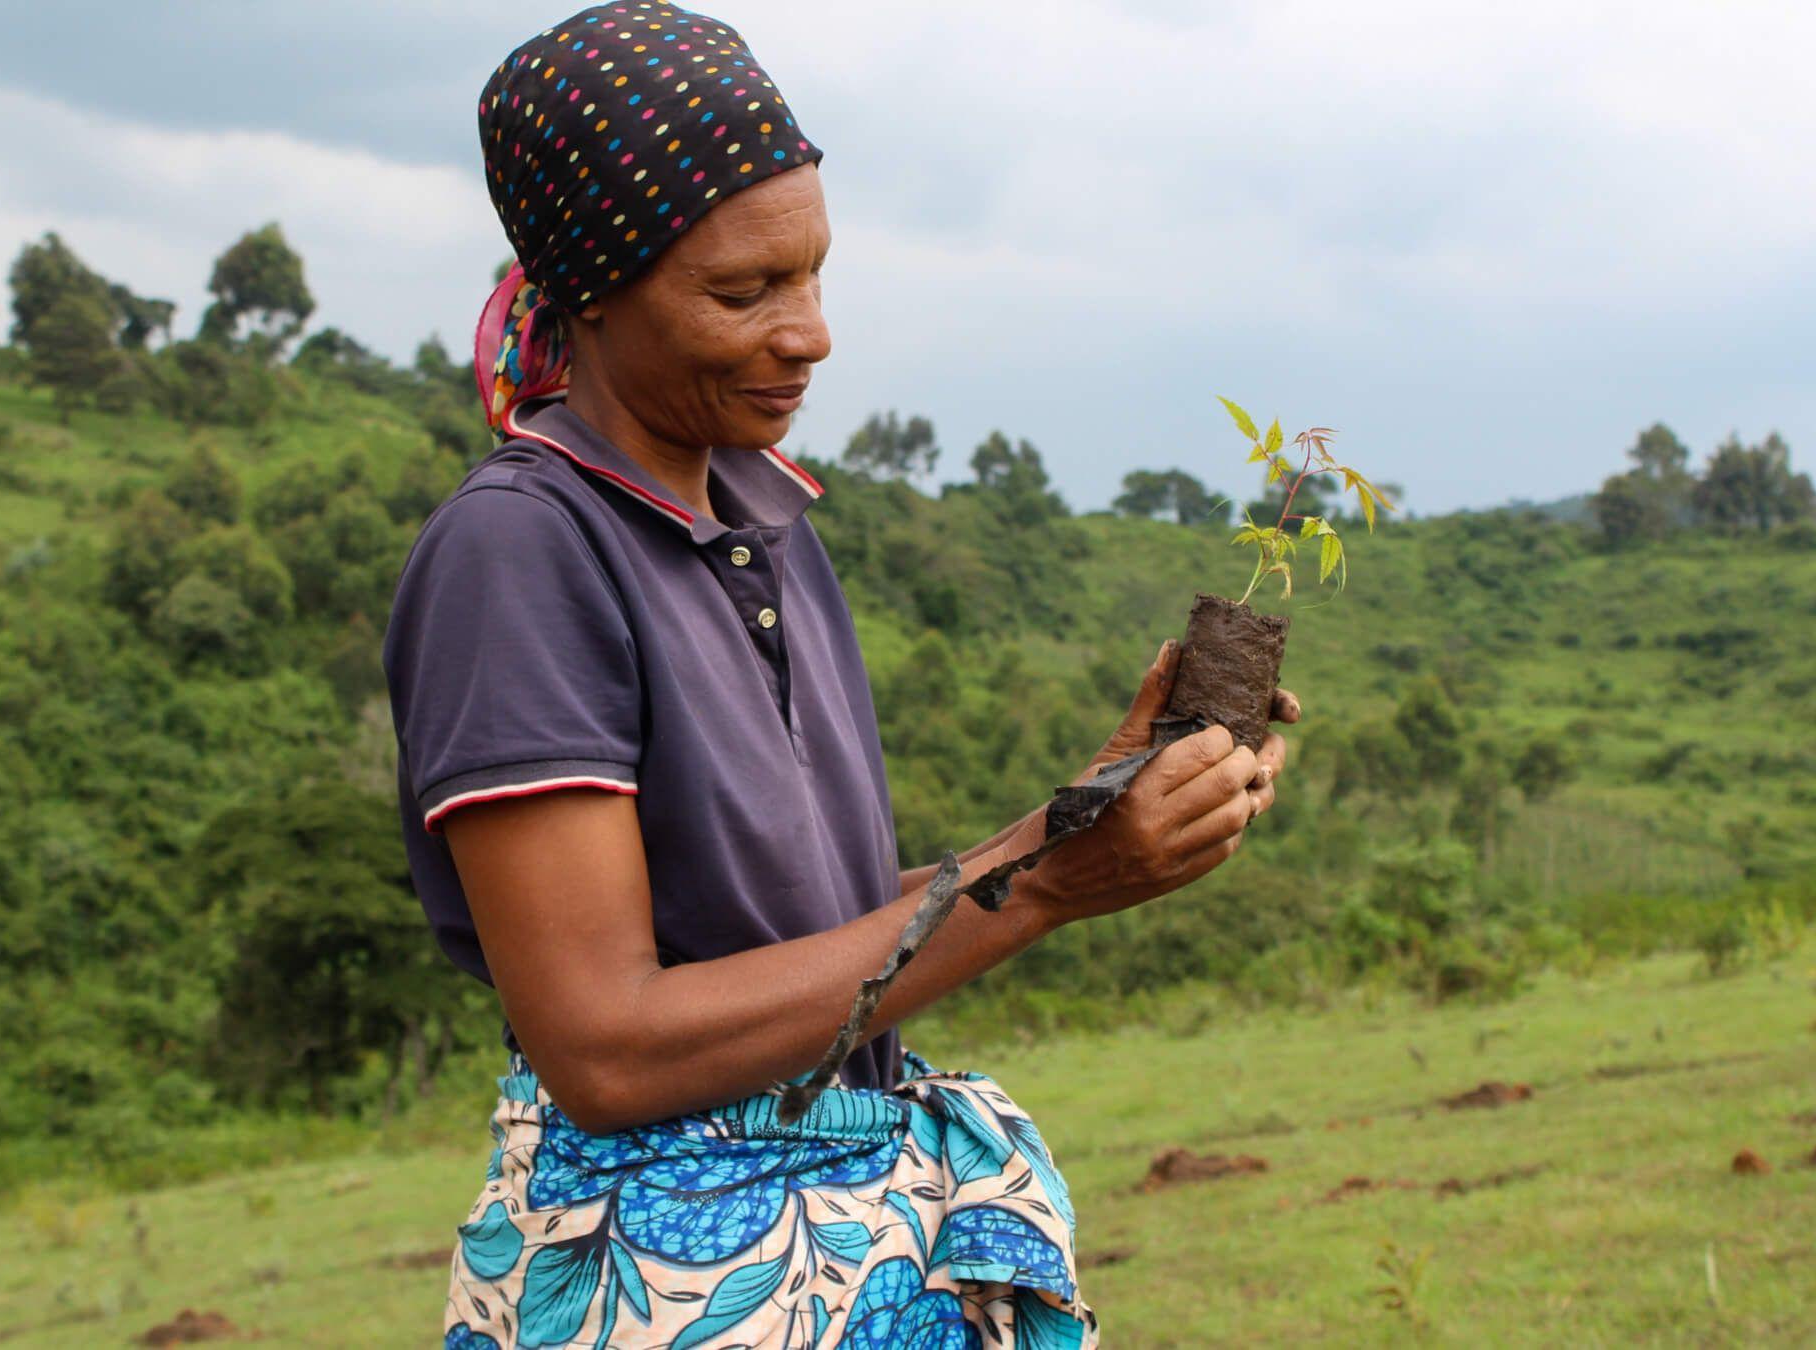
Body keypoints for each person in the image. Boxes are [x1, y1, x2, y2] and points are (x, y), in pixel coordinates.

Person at [384, 6, 1296, 1344]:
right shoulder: (522, 550)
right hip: (669, 1277)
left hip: (849, 1236)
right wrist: (1043, 884)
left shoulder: (766, 522)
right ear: (592, 289)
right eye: (742, 293)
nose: (808, 334)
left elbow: (795, 930)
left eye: (812, 277)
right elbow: (606, 1046)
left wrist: (1078, 816)